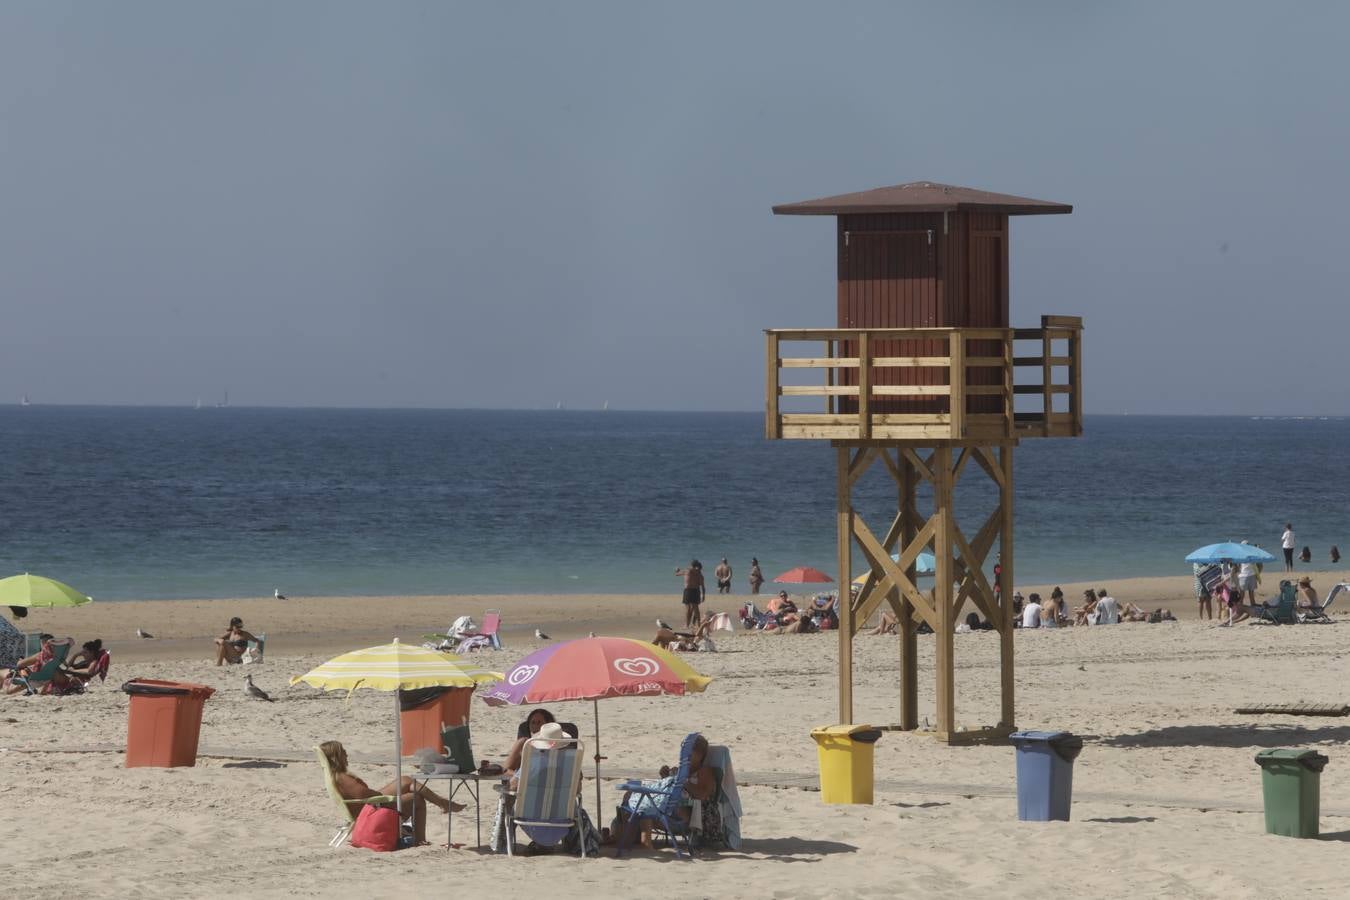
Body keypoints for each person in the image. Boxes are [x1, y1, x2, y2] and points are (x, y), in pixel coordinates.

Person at [320, 740, 460, 845]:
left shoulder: (336, 775)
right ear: (336, 757)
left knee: (405, 780)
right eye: (342, 751)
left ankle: (442, 803)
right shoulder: (342, 778)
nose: (346, 754)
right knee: (416, 798)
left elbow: (364, 794)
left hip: (367, 805)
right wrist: (387, 796)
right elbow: (365, 795)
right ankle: (421, 839)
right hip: (369, 810)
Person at [618, 734, 717, 850]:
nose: (684, 755)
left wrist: (683, 781)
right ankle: (625, 838)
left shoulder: (704, 771)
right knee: (631, 796)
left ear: (700, 755)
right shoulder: (682, 770)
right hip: (670, 809)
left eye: (688, 752)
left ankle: (645, 842)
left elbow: (703, 795)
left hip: (685, 817)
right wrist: (666, 777)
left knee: (646, 802)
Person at [675, 561, 706, 629]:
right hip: (696, 591)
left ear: (692, 565)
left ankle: (687, 625)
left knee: (688, 608)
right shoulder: (699, 574)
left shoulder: (687, 571)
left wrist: (677, 570)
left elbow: (677, 574)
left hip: (688, 591)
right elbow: (703, 586)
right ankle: (698, 624)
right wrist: (703, 595)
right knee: (695, 608)